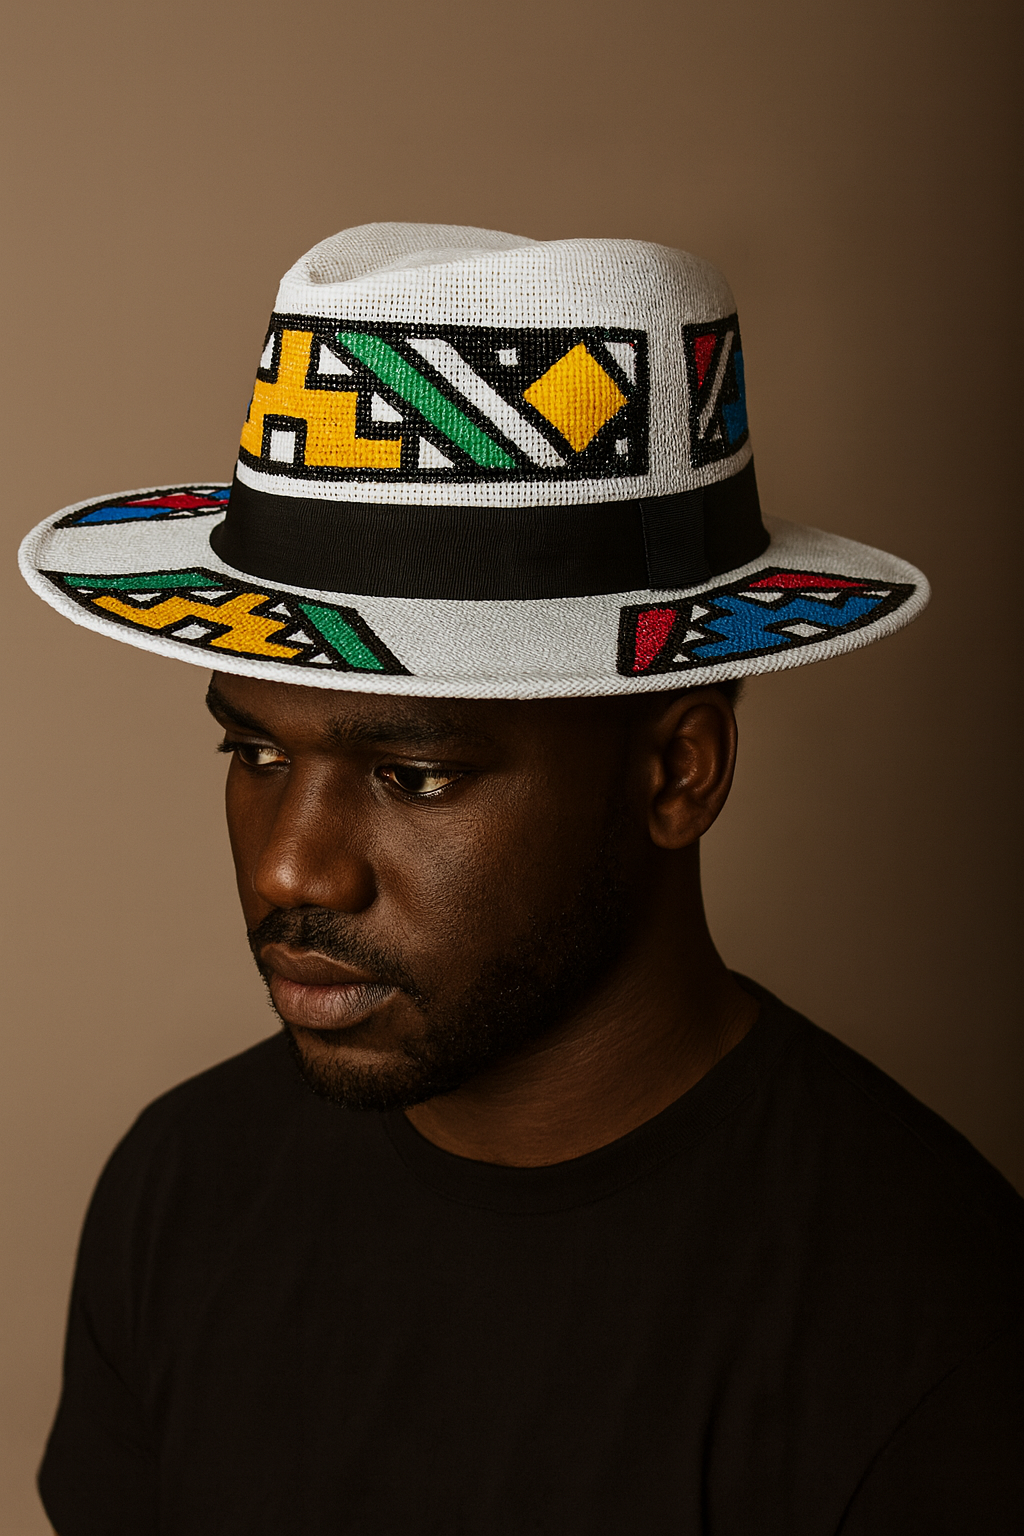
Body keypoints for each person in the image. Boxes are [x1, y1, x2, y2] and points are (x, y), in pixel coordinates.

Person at [20, 223, 1023, 1535]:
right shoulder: (183, 1190)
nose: (288, 862)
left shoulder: (936, 1334)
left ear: (679, 773)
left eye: (415, 775)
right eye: (254, 750)